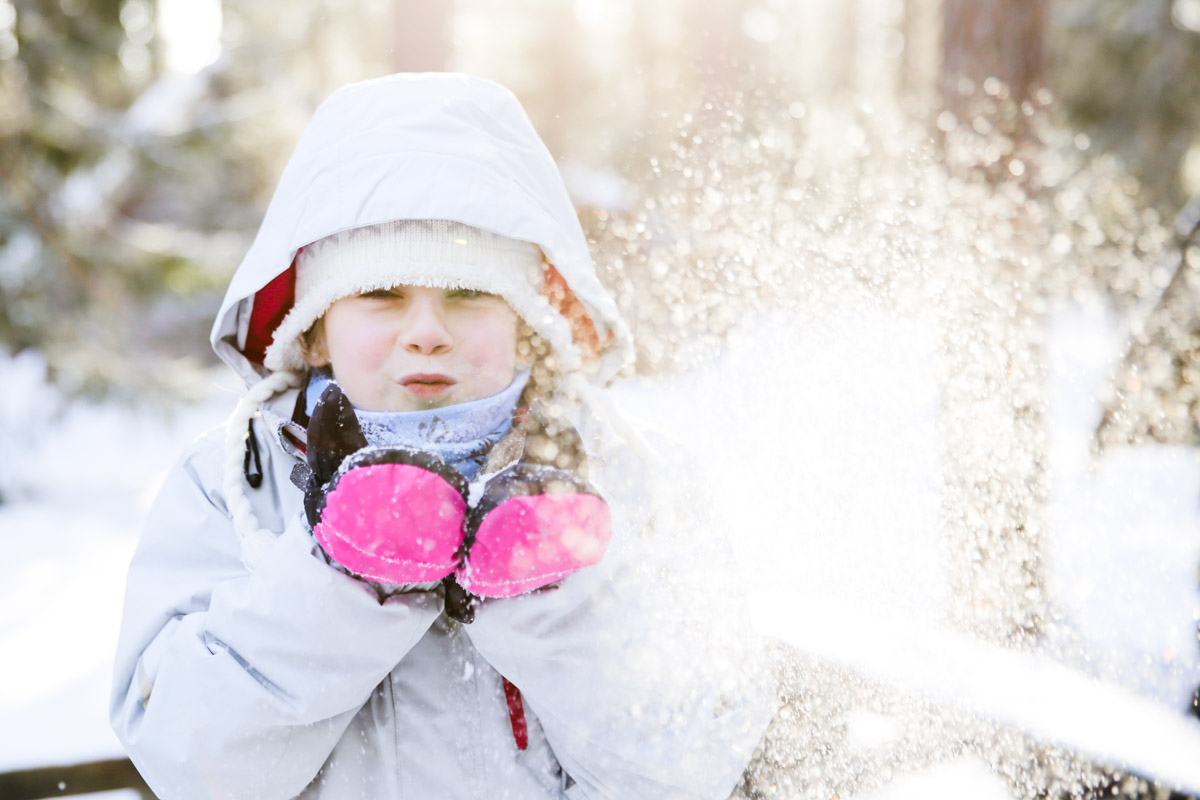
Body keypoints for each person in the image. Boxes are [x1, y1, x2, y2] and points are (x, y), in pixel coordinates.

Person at [110, 72, 776, 799]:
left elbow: (695, 761)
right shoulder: (236, 482)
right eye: (381, 294)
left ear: (526, 322)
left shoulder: (632, 478)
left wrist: (554, 600)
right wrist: (343, 580)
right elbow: (188, 761)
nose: (427, 332)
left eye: (469, 294)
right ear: (315, 330)